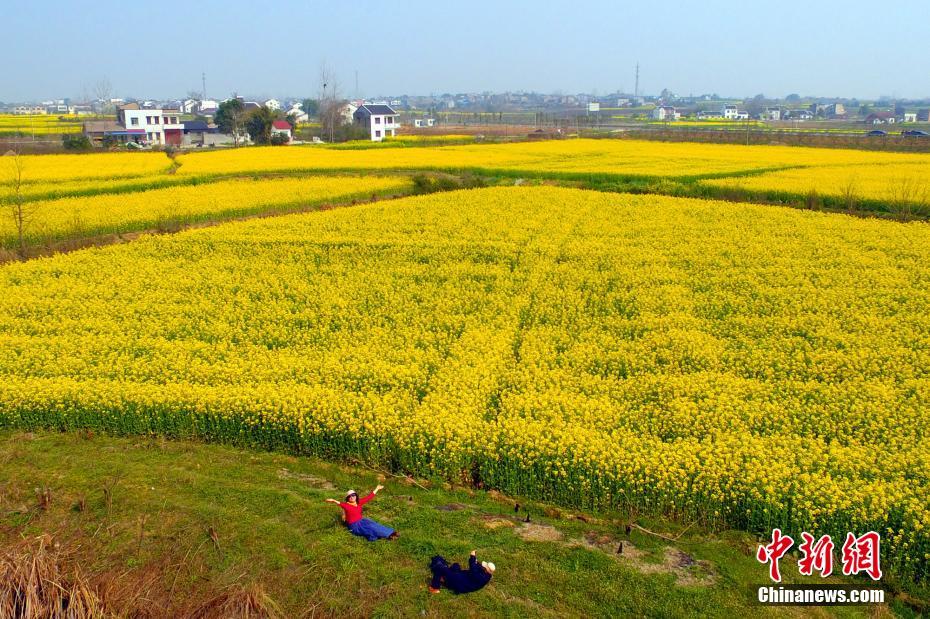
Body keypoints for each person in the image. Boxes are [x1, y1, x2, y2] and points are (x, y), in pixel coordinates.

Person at [325, 485, 398, 541]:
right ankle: (388, 536)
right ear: (348, 498)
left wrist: (377, 488)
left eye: (353, 495)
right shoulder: (346, 505)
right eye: (350, 496)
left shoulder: (359, 502)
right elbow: (339, 503)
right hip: (354, 526)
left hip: (362, 521)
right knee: (370, 529)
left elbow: (369, 497)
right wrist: (333, 500)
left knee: (374, 524)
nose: (352, 497)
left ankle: (391, 532)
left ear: (356, 496)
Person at [428, 550, 495, 594]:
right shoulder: (486, 574)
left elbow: (473, 570)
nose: (483, 566)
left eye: (484, 566)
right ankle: (444, 578)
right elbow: (477, 566)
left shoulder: (481, 577)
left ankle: (434, 588)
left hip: (460, 584)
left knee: (440, 568)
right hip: (463, 579)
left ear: (486, 570)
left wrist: (472, 557)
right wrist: (475, 560)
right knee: (456, 565)